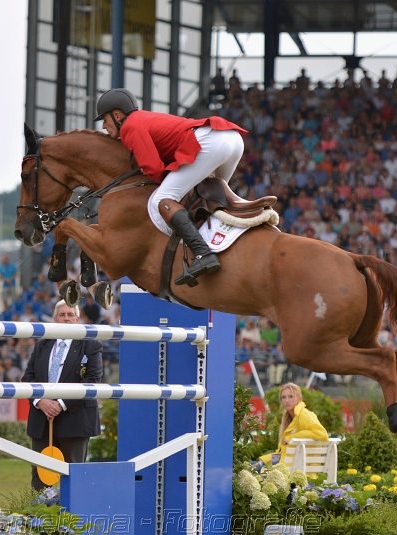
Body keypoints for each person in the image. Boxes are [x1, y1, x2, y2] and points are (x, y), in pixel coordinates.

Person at [94, 88, 247, 286]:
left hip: (210, 143)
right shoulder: (143, 118)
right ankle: (222, 241)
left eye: (104, 119)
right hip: (232, 139)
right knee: (211, 197)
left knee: (161, 200)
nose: (104, 126)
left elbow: (153, 167)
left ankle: (202, 254)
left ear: (117, 115)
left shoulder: (129, 127)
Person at [22, 300, 102, 490]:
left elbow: (92, 380)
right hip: (42, 420)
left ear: (77, 319)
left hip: (75, 420)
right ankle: (40, 518)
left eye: (70, 315)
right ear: (55, 318)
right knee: (41, 479)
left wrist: (60, 404)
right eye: (62, 315)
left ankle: (71, 519)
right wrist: (41, 401)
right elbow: (28, 378)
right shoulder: (42, 345)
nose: (66, 319)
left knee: (73, 479)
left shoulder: (91, 345)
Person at [259, 383, 328, 465]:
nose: (287, 400)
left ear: (300, 399)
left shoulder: (305, 415)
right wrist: (263, 461)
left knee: (250, 470)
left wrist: (291, 438)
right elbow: (282, 454)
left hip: (299, 468)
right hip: (288, 464)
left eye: (291, 396)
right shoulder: (288, 419)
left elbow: (322, 434)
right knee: (253, 466)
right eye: (283, 397)